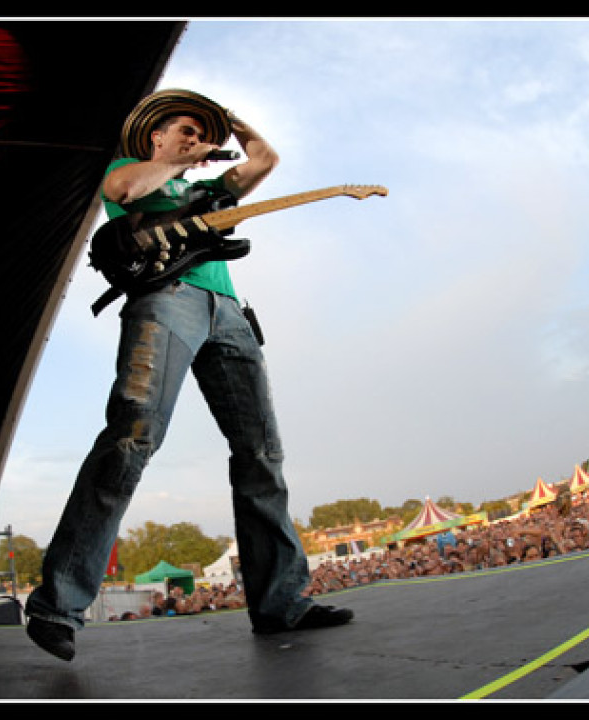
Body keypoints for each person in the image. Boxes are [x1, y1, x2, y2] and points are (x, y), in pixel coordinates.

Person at [25, 89, 352, 661]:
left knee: (261, 452)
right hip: (165, 301)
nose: (199, 140)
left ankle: (282, 604)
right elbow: (126, 193)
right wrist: (181, 157)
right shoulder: (130, 169)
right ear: (157, 135)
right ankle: (57, 606)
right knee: (132, 438)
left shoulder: (206, 190)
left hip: (227, 311)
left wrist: (233, 122)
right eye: (186, 130)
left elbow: (265, 161)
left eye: (204, 135)